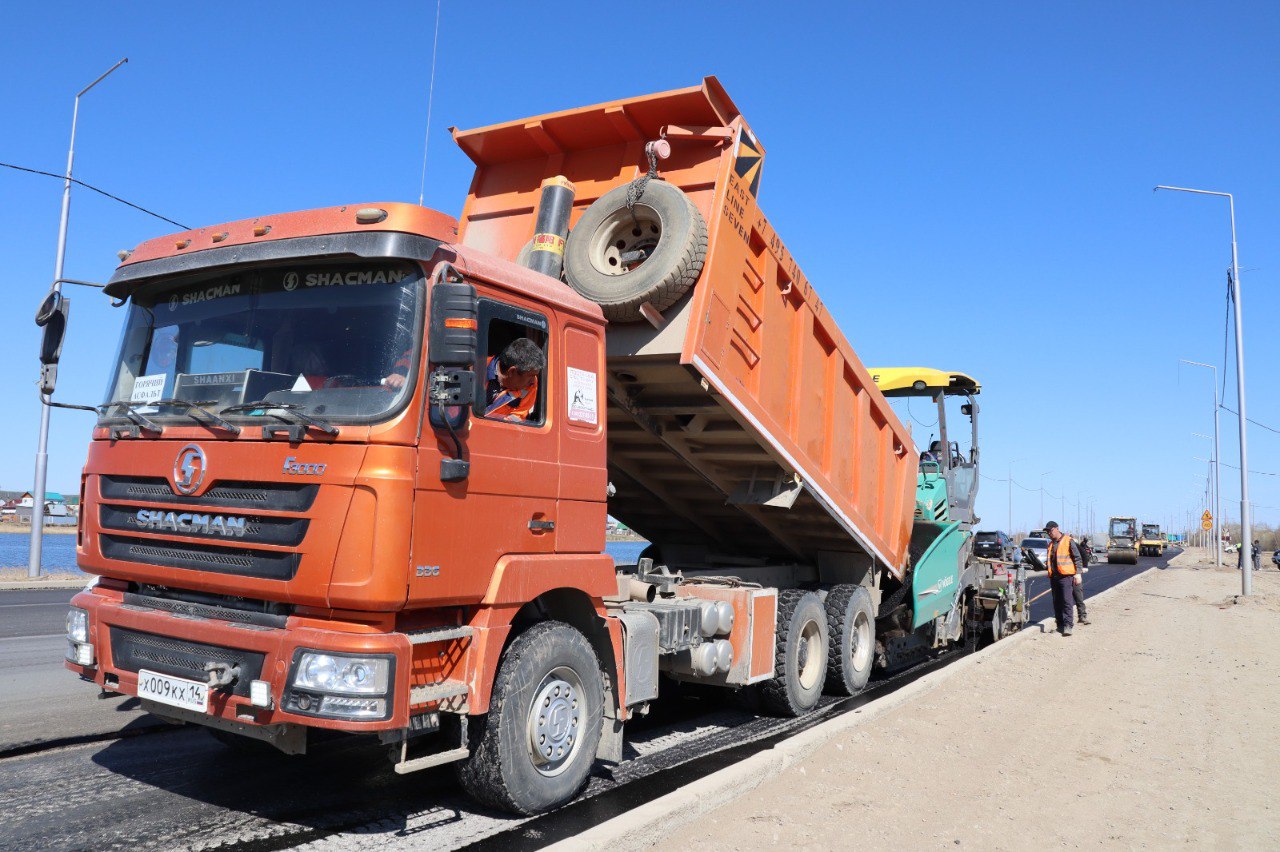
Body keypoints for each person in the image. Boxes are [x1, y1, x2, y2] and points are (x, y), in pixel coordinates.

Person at [484, 338, 544, 422]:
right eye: (531, 376)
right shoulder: (476, 369)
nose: (533, 381)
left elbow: (518, 416)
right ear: (512, 371)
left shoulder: (531, 385)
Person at [1044, 521, 1086, 636]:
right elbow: (1052, 560)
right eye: (1047, 532)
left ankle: (1068, 626)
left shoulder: (1068, 541)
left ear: (1057, 528)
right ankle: (1060, 624)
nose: (1049, 533)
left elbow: (1077, 558)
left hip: (1066, 577)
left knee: (1067, 601)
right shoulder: (1051, 544)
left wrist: (1078, 573)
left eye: (1050, 531)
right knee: (1057, 602)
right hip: (1054, 577)